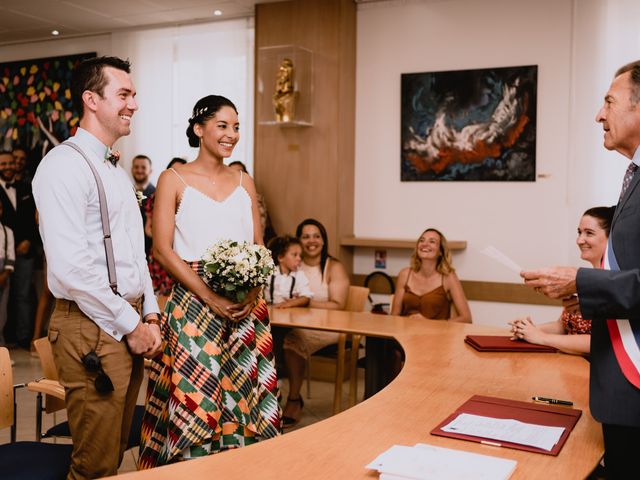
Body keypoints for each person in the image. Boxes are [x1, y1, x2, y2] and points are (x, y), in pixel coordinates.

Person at [32, 56, 162, 480]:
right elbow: (72, 269)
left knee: (114, 453)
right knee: (94, 465)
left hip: (126, 318)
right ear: (91, 99)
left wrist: (151, 313)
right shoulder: (62, 166)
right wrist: (132, 324)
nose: (134, 104)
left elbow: (134, 253)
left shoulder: (115, 168)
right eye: (124, 94)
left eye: (133, 94)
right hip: (90, 326)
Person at [139, 95, 281, 468]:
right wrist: (210, 296)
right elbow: (162, 249)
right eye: (223, 125)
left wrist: (251, 293)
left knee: (243, 395)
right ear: (199, 129)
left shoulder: (244, 181)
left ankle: (238, 470)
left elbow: (259, 246)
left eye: (236, 127)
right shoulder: (173, 179)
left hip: (246, 308)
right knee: (196, 397)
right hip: (192, 307)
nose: (231, 134)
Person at [521, 60, 640, 479]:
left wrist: (582, 280)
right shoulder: (633, 179)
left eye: (609, 102)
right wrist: (581, 293)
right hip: (622, 390)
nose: (599, 115)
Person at [510, 207, 614, 355]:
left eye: (589, 233)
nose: (579, 240)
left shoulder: (615, 286)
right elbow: (563, 326)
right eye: (579, 232)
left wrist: (541, 337)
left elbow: (600, 342)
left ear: (611, 238)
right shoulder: (580, 280)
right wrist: (528, 330)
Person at [281, 218, 349, 427]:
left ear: (323, 240)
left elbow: (338, 304)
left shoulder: (333, 267)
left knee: (292, 340)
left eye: (316, 236)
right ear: (298, 241)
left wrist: (304, 302)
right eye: (306, 236)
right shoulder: (292, 266)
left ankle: (293, 399)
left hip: (328, 327)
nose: (312, 241)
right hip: (294, 323)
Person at [0, 149, 39, 349]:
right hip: (2, 251)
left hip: (24, 250)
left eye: (10, 163)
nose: (8, 167)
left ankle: (23, 337)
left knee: (23, 295)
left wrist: (29, 241)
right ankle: (4, 338)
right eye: (3, 163)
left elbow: (35, 218)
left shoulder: (26, 188)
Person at [391, 228, 471, 323]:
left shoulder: (448, 277)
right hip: (404, 334)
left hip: (436, 336)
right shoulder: (404, 274)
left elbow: (466, 318)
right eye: (422, 240)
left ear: (440, 251)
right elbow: (394, 315)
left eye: (432, 241)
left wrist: (428, 323)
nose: (425, 244)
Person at [144, 157, 186, 303]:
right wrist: (164, 237)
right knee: (160, 299)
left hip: (183, 254)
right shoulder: (156, 197)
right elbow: (148, 229)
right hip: (161, 252)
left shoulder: (190, 196)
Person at [228, 160, 276, 245]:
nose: (236, 176)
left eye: (240, 172)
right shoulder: (223, 197)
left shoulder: (255, 200)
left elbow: (259, 229)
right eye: (232, 173)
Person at [265, 235, 313, 308]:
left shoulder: (299, 275)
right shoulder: (269, 273)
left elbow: (306, 297)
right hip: (269, 311)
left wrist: (289, 304)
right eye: (295, 255)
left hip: (290, 313)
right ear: (280, 257)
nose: (299, 259)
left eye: (300, 256)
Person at [131, 154, 155, 256]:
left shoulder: (157, 194)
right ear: (132, 169)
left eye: (143, 167)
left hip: (149, 250)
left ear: (150, 171)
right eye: (136, 167)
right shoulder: (126, 192)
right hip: (130, 249)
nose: (139, 170)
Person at [0, 202, 14, 347]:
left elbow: (11, 255)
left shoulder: (7, 231)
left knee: (2, 313)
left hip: (3, 272)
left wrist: (5, 273)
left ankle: (1, 351)